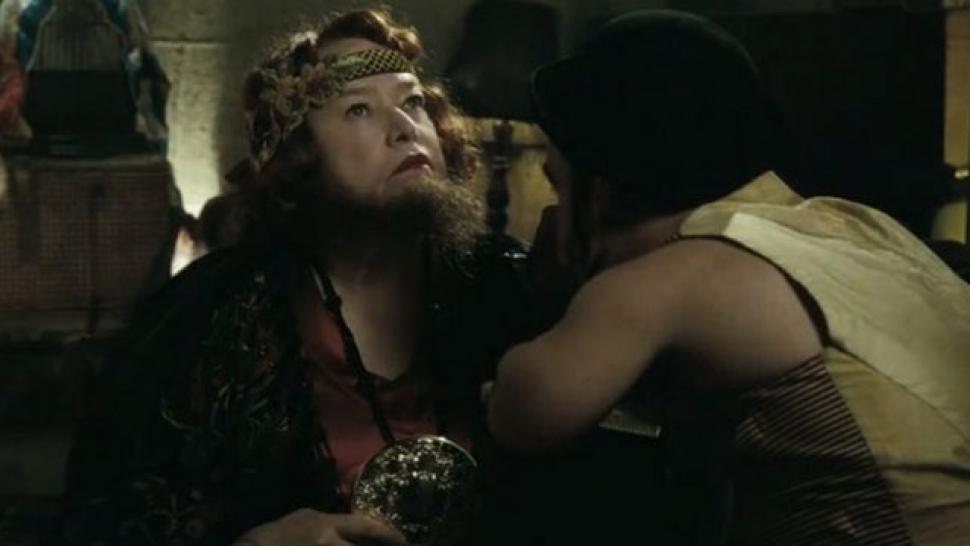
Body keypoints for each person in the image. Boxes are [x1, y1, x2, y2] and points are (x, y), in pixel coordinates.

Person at [487, 10, 970, 545]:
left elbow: (522, 415)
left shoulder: (673, 276)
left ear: (600, 193)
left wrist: (553, 289)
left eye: (558, 187)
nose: (552, 213)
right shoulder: (852, 226)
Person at [60, 8, 531, 545]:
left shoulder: (501, 286)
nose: (405, 127)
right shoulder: (209, 317)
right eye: (358, 109)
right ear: (300, 158)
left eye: (413, 101)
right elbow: (104, 518)